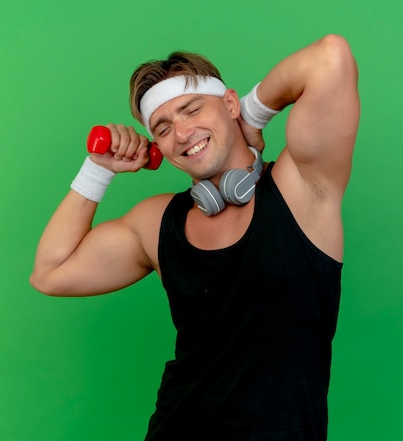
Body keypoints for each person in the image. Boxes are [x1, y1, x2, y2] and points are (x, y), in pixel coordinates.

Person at [30, 34, 359, 440]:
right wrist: (98, 170)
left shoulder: (303, 187)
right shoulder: (157, 222)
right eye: (163, 127)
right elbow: (51, 272)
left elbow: (330, 57)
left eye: (191, 109)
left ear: (229, 104)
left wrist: (254, 115)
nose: (182, 133)